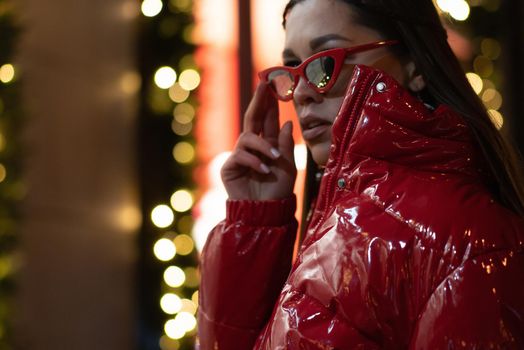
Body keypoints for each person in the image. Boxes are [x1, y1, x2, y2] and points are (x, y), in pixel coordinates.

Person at [197, 0, 524, 348]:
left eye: (325, 62)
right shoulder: (334, 221)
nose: (304, 93)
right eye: (292, 67)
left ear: (414, 65)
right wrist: (255, 221)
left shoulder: (472, 243)